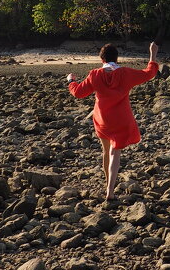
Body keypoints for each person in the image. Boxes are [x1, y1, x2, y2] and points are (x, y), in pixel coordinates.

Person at [67, 42, 159, 200]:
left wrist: (71, 81)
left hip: (103, 119)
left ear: (101, 59)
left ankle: (108, 186)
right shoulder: (125, 73)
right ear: (117, 58)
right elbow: (149, 73)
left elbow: (78, 93)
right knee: (115, 153)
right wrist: (152, 54)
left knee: (105, 151)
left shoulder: (95, 74)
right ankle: (110, 191)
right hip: (121, 119)